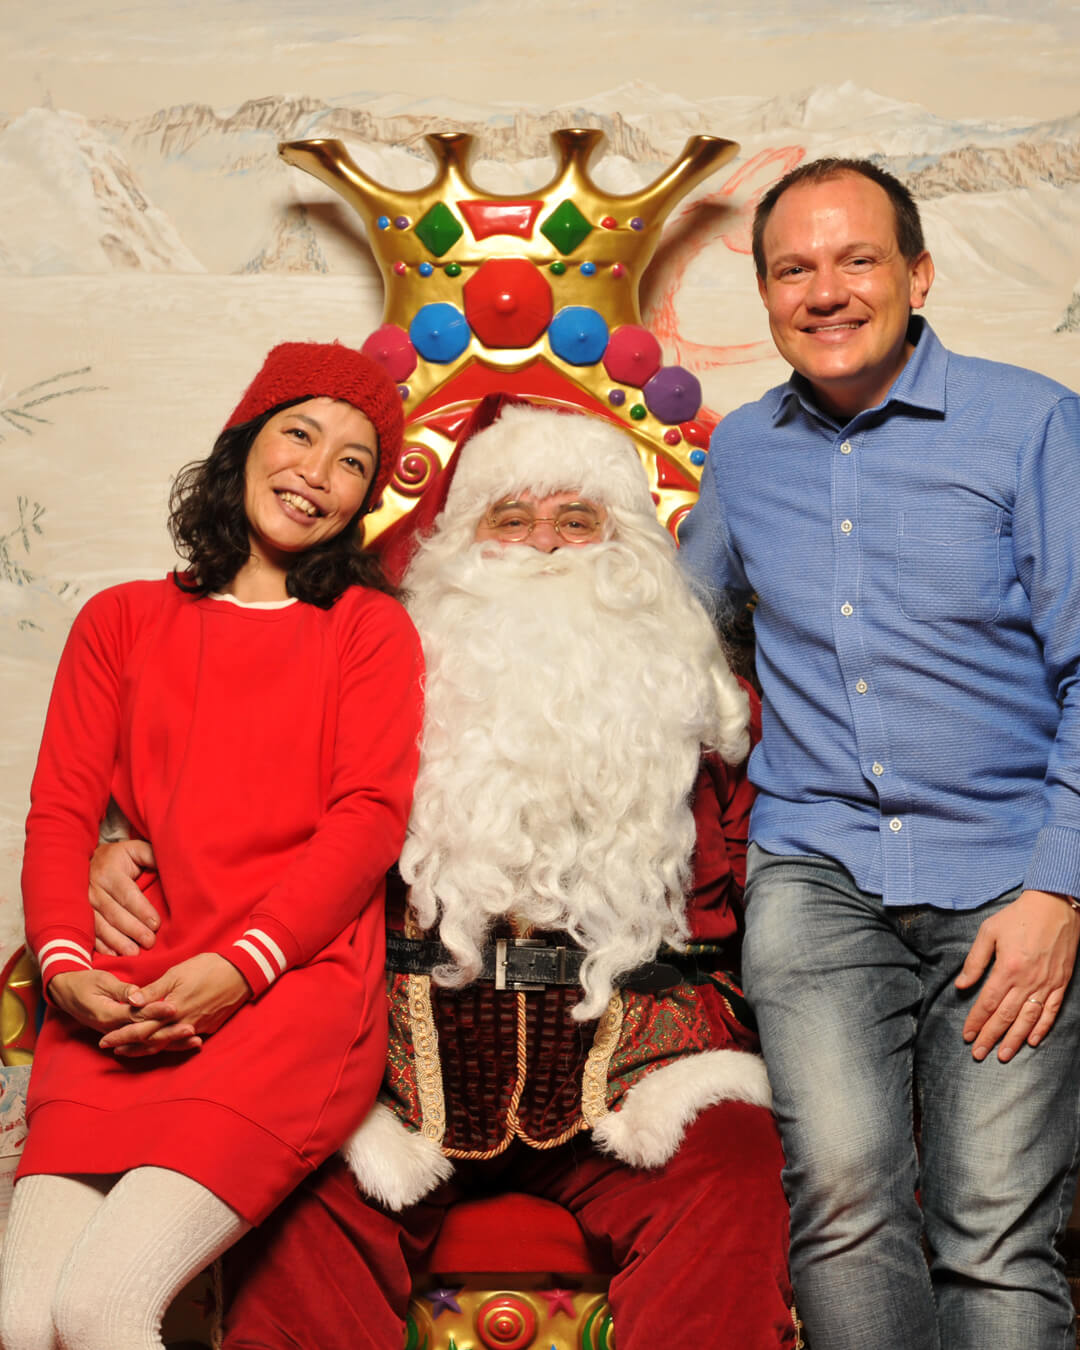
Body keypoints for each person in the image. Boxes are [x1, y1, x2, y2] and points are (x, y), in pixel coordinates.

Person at [91, 400, 797, 1348]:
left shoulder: (709, 701)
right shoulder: (373, 666)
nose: (545, 546)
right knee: (295, 1198)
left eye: (576, 521)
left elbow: (785, 855)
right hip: (395, 1065)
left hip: (641, 1064)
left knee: (735, 1174)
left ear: (627, 544)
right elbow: (222, 776)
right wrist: (117, 832)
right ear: (462, 544)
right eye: (511, 520)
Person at [678, 156, 1080, 1350]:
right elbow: (652, 648)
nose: (827, 290)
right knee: (843, 1208)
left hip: (1010, 870)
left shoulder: (1034, 425)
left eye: (857, 259)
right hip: (817, 874)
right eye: (794, 268)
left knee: (993, 1232)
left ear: (917, 273)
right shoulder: (745, 453)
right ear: (764, 297)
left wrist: (1061, 888)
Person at [0, 342, 424, 1350]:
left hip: (284, 1003)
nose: (317, 472)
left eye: (354, 462)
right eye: (300, 434)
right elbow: (61, 810)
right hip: (116, 1002)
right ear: (245, 442)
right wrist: (63, 966)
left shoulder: (368, 631)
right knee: (24, 1321)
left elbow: (370, 819)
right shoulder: (122, 620)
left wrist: (240, 967)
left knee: (103, 1305)